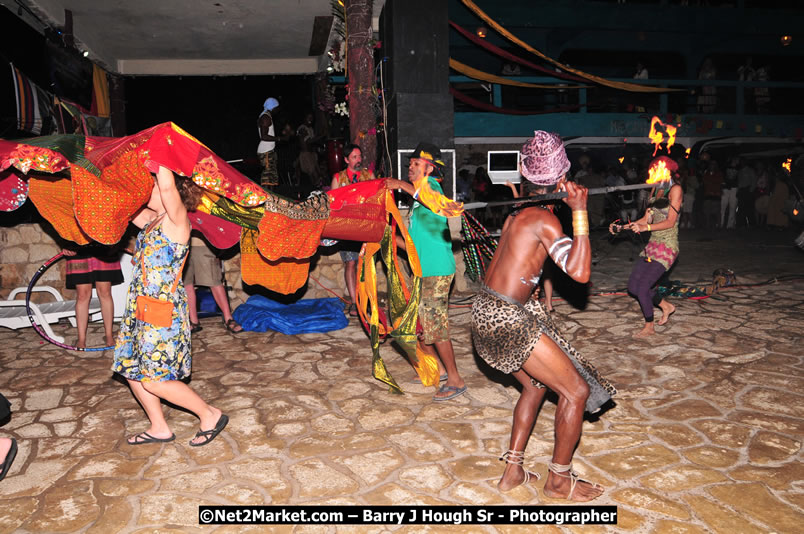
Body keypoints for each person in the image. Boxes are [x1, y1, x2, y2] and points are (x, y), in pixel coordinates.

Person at [472, 131, 614, 501]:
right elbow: (581, 273)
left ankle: (513, 470)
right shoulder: (543, 220)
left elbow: (511, 269)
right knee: (576, 391)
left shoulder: (518, 214)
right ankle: (558, 481)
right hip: (505, 318)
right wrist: (580, 211)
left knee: (536, 385)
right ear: (561, 178)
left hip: (483, 313)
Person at [113, 165, 228, 447]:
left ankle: (210, 414)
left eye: (150, 183)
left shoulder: (177, 221)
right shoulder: (153, 220)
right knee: (131, 368)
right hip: (141, 307)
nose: (146, 188)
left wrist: (160, 155)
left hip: (162, 311)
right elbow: (123, 202)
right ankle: (159, 427)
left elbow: (166, 186)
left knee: (154, 379)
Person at [391, 142, 467, 402]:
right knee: (422, 324)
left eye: (415, 164)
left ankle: (456, 380)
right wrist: (389, 239)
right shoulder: (416, 202)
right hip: (423, 271)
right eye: (409, 164)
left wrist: (400, 186)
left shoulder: (430, 189)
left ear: (430, 168)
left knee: (435, 327)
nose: (410, 168)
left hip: (436, 270)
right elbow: (412, 245)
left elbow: (434, 201)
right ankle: (441, 370)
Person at [612, 156, 683, 338]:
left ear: (666, 170)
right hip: (652, 245)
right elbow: (645, 219)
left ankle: (649, 326)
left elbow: (670, 222)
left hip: (667, 246)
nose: (654, 173)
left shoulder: (675, 189)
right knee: (633, 287)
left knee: (643, 287)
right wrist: (623, 227)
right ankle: (666, 306)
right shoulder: (655, 189)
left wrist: (646, 227)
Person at [330, 144, 376, 316]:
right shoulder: (338, 178)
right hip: (347, 227)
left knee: (366, 263)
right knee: (350, 263)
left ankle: (366, 298)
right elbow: (332, 204)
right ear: (346, 160)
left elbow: (375, 199)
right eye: (355, 157)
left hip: (365, 226)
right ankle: (355, 302)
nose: (359, 160)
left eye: (360, 156)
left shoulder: (368, 175)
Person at [61, 246, 124, 348]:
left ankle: (109, 335)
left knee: (105, 292)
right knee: (82, 295)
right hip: (77, 246)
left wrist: (115, 243)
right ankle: (81, 339)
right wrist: (65, 244)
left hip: (101, 243)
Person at [183, 235, 243, 334]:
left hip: (202, 242)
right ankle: (193, 321)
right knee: (186, 282)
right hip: (180, 242)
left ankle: (228, 319)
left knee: (214, 281)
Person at [257, 97, 280, 189]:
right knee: (267, 177)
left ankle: (271, 199)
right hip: (266, 151)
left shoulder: (266, 116)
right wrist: (279, 138)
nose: (278, 110)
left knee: (272, 177)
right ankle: (265, 199)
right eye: (277, 107)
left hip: (269, 150)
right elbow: (264, 136)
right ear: (273, 107)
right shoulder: (265, 117)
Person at [721, 157, 739, 229]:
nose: (734, 162)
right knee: (723, 207)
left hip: (734, 188)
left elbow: (739, 179)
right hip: (726, 188)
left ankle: (730, 225)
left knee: (733, 207)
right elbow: (723, 178)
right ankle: (721, 223)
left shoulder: (739, 169)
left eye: (736, 161)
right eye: (733, 161)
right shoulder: (725, 168)